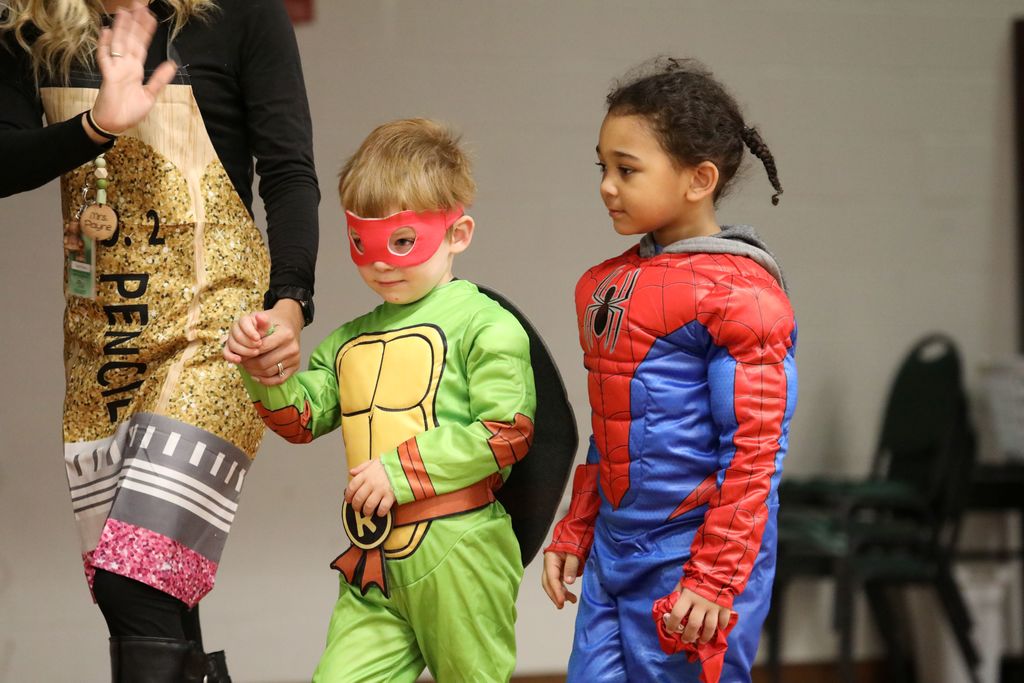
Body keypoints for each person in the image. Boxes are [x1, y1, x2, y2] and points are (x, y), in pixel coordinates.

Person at [0, 1, 319, 679]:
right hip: (104, 346)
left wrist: (289, 305)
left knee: (134, 578)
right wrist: (94, 126)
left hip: (218, 331)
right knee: (156, 596)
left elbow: (288, 171)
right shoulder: (23, 20)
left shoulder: (243, 12)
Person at [224, 118, 537, 682]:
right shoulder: (349, 341)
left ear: (458, 233)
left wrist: (400, 471)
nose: (381, 262)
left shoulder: (487, 326)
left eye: (401, 241)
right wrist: (264, 365)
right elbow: (302, 416)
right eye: (361, 243)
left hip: (459, 547)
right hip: (371, 557)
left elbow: (506, 430)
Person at [541, 57, 799, 683]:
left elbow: (756, 453)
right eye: (602, 166)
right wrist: (576, 529)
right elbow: (613, 425)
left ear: (699, 179)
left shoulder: (743, 294)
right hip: (614, 550)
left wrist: (714, 578)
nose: (607, 184)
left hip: (695, 558)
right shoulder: (607, 285)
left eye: (627, 169)